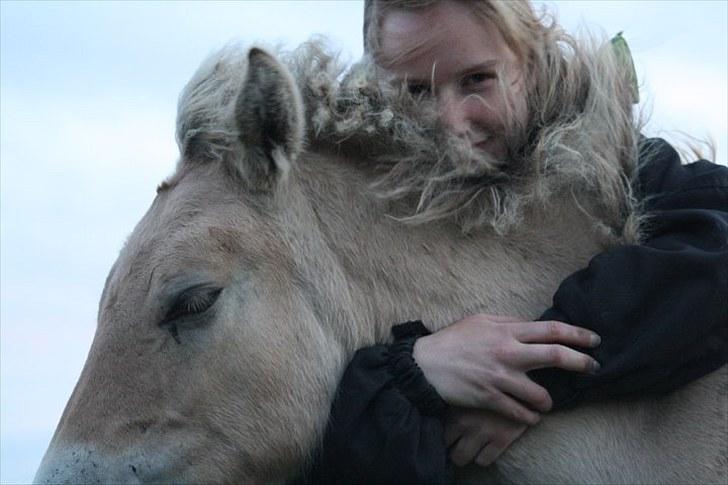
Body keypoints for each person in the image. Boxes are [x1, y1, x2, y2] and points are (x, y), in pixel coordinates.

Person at [297, 1, 728, 483]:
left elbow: (712, 261)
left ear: (532, 61)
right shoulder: (349, 228)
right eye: (415, 90)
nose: (450, 123)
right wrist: (414, 373)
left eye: (477, 80)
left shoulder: (625, 177)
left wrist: (527, 375)